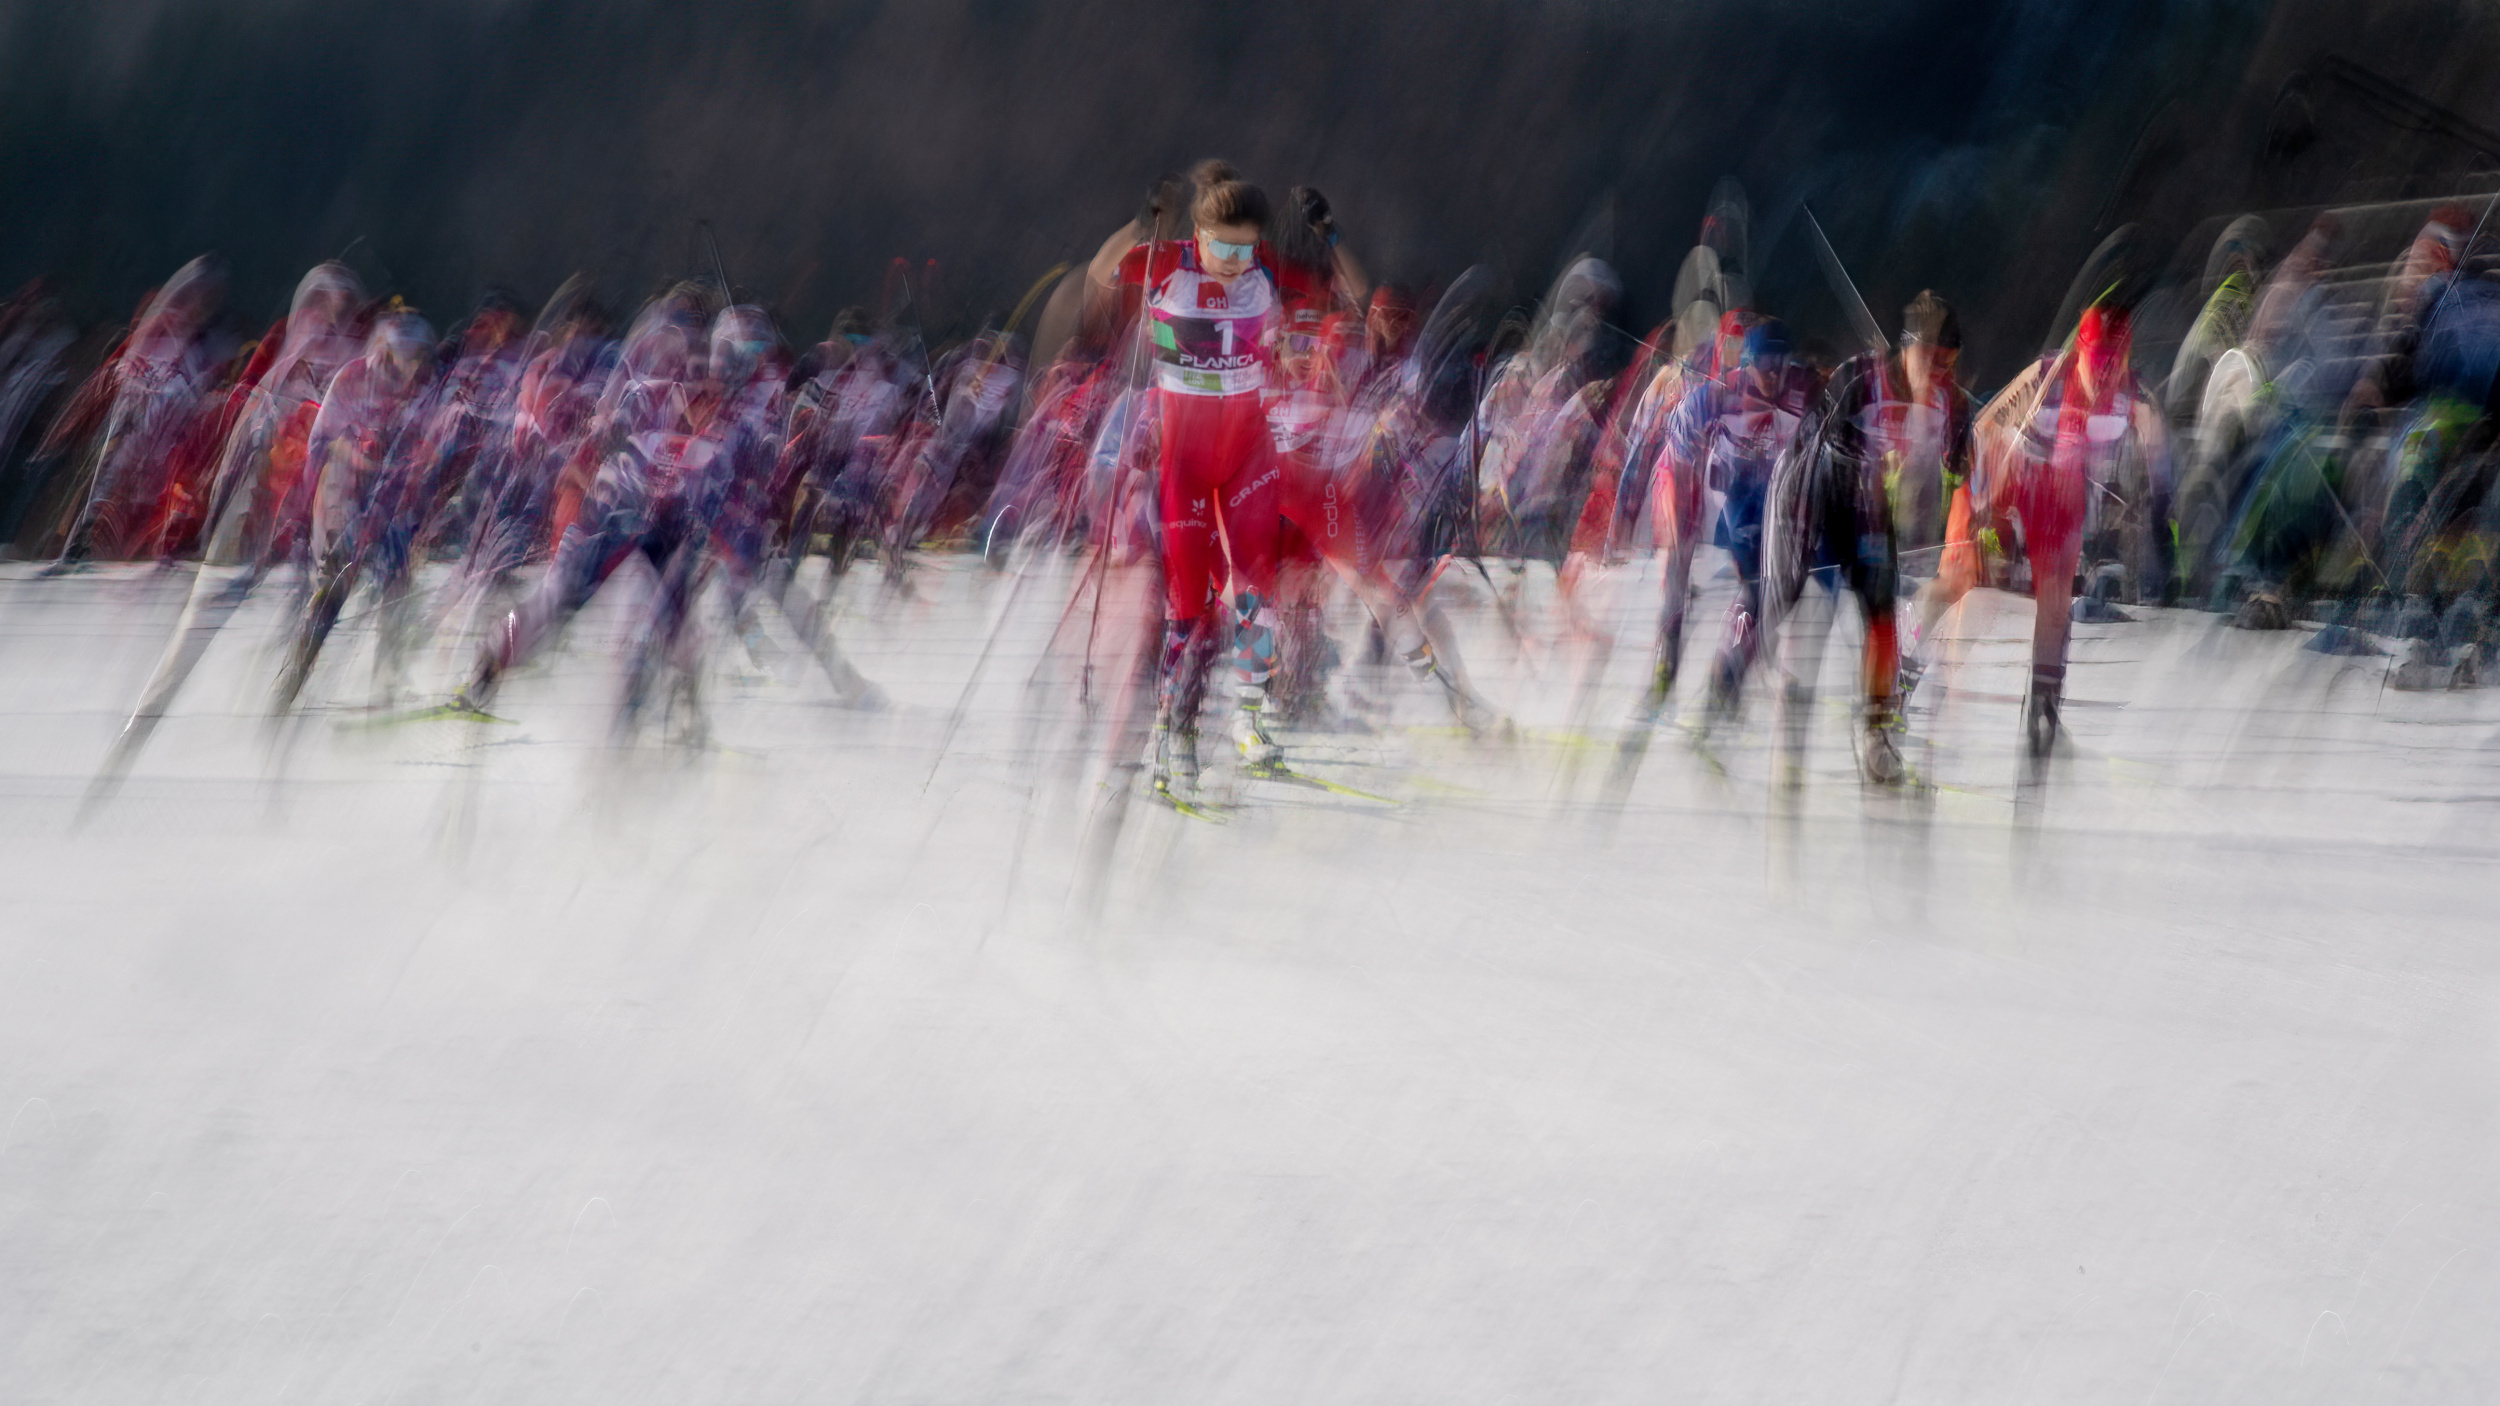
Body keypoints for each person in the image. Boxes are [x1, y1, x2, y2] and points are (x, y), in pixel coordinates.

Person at [1113, 171, 1292, 798]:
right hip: (1184, 461)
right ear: (1197, 234)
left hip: (1247, 453)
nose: (1237, 261)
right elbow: (1103, 272)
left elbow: (1338, 289)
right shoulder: (1166, 262)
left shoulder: (1264, 274)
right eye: (1224, 247)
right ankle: (1173, 728)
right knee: (1189, 605)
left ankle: (1248, 718)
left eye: (1248, 248)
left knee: (1256, 591)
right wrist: (1140, 223)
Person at [1763, 292, 1973, 785]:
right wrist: (1794, 545)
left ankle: (1877, 735)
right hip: (1817, 495)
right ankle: (1776, 693)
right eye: (1931, 362)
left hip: (1867, 506)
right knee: (1802, 604)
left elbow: (1960, 469)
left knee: (1882, 617)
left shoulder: (1951, 401)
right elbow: (1806, 455)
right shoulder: (1860, 379)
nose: (1939, 375)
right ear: (1908, 349)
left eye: (1949, 366)